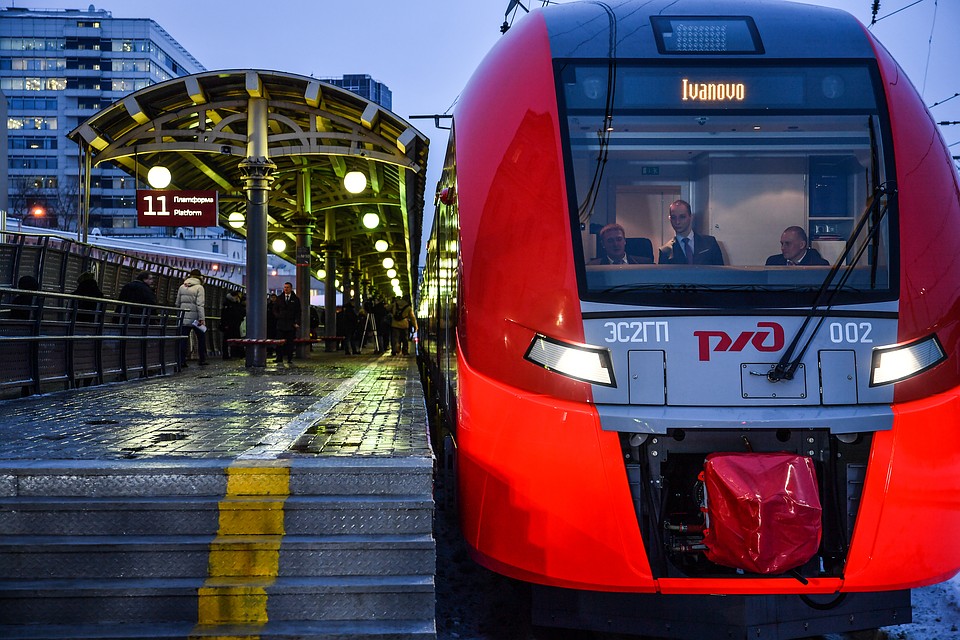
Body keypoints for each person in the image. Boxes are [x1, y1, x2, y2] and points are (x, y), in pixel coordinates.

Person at [657, 199, 724, 265]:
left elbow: (721, 273)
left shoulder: (710, 243)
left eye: (682, 217)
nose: (677, 222)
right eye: (673, 217)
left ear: (690, 217)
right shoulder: (665, 251)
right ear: (670, 219)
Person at [176, 268, 207, 367]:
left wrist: (180, 315)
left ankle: (181, 361)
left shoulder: (182, 287)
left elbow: (177, 303)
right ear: (200, 277)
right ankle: (202, 359)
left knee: (183, 339)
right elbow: (200, 305)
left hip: (184, 317)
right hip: (196, 319)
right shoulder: (199, 287)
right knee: (201, 337)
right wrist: (202, 319)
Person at [587, 223, 652, 265]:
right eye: (610, 240)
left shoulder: (645, 263)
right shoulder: (593, 266)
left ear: (625, 241)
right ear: (603, 244)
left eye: (619, 239)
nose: (615, 244)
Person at [765, 226, 830, 266]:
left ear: (802, 245)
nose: (782, 248)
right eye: (782, 244)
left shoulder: (818, 265)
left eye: (788, 244)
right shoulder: (773, 262)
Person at [273, 281, 301, 364]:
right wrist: (278, 316)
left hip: (291, 324)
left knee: (290, 342)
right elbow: (275, 309)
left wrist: (297, 322)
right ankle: (279, 357)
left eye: (287, 287)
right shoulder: (280, 298)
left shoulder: (295, 299)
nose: (286, 289)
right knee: (279, 342)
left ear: (291, 288)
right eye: (285, 287)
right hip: (281, 323)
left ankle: (289, 358)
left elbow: (298, 312)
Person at [220, 290, 246, 359]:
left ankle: (235, 354)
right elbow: (226, 315)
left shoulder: (234, 303)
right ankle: (228, 355)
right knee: (228, 340)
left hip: (235, 324)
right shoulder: (229, 304)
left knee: (234, 339)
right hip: (229, 324)